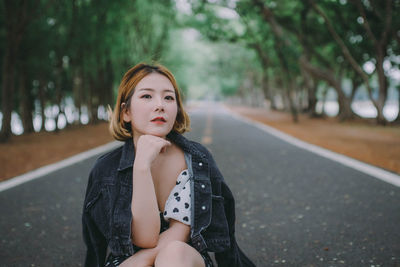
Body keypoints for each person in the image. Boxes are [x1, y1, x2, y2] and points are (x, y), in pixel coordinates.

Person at [82, 63, 256, 267]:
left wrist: (141, 261)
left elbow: (178, 235)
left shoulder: (196, 160)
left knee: (173, 254)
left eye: (168, 97)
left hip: (184, 258)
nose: (160, 105)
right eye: (147, 96)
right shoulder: (106, 170)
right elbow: (144, 238)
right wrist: (141, 167)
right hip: (127, 258)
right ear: (126, 112)